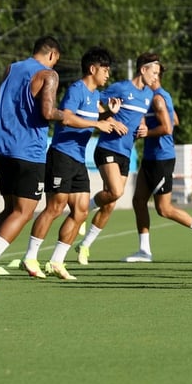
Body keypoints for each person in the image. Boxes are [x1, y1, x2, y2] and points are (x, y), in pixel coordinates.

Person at [0, 35, 65, 291]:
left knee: (9, 209)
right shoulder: (48, 75)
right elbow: (47, 112)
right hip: (28, 151)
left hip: (3, 147)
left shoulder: (11, 68)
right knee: (24, 212)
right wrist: (67, 115)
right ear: (53, 55)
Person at [22, 46, 126, 281]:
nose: (108, 75)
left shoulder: (94, 96)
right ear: (93, 69)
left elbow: (92, 115)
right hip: (61, 155)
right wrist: (97, 124)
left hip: (78, 159)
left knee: (80, 211)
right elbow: (66, 118)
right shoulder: (77, 90)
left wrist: (107, 115)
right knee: (55, 208)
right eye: (105, 70)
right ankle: (29, 256)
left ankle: (57, 260)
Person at [121, 70, 192, 263]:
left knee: (164, 209)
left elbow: (168, 127)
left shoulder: (158, 97)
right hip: (150, 157)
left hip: (162, 158)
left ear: (155, 76)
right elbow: (175, 119)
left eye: (150, 74)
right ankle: (144, 250)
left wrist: (147, 131)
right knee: (138, 200)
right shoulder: (155, 97)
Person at [74, 52, 160, 264]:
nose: (156, 77)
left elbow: (138, 115)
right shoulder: (121, 88)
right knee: (116, 191)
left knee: (111, 203)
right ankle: (83, 209)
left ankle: (84, 246)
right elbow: (97, 101)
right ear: (143, 70)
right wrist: (111, 119)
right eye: (154, 72)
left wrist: (143, 125)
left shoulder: (148, 95)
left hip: (125, 152)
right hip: (107, 147)